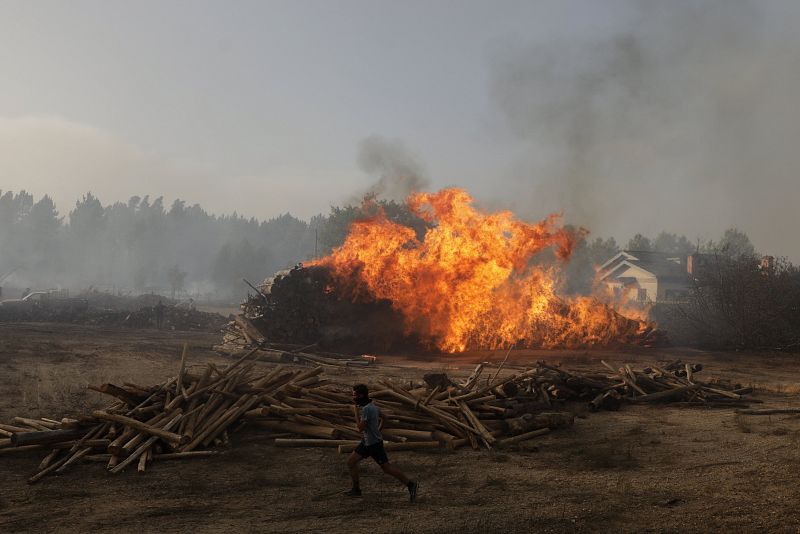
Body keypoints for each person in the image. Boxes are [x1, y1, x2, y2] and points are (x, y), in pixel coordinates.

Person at [346, 384, 418, 501]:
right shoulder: (373, 406)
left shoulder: (366, 409)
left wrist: (354, 411)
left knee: (387, 468)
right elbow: (385, 418)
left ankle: (411, 484)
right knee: (350, 462)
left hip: (374, 444)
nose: (353, 397)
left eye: (354, 395)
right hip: (367, 442)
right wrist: (378, 430)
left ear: (361, 395)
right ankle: (356, 490)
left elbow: (359, 428)